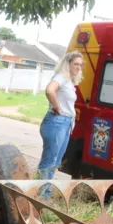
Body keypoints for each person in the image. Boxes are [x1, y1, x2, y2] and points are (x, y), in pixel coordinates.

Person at [35, 51, 83, 182]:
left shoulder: (69, 82)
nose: (79, 67)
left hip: (65, 123)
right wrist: (57, 107)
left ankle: (44, 192)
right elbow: (50, 90)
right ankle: (40, 193)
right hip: (56, 122)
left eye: (80, 65)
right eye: (76, 64)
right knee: (49, 161)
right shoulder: (61, 77)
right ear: (68, 64)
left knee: (55, 162)